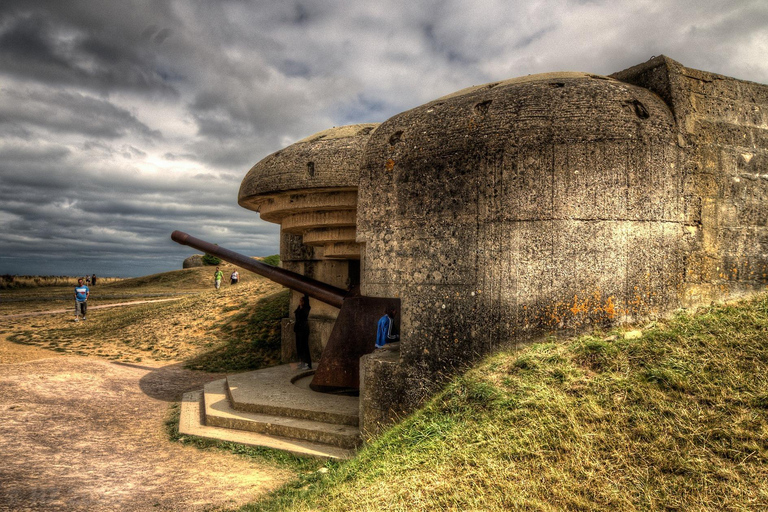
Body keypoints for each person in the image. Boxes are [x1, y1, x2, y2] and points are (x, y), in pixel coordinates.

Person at [293, 294, 312, 370]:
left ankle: (308, 364)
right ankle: (302, 362)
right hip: (298, 329)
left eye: (301, 301)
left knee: (304, 346)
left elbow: (303, 315)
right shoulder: (299, 308)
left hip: (303, 329)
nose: (300, 302)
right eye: (299, 300)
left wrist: (306, 296)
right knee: (299, 346)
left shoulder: (306, 308)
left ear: (304, 302)